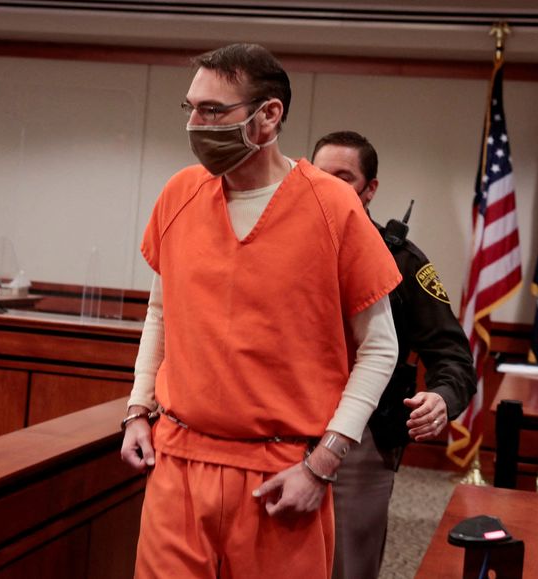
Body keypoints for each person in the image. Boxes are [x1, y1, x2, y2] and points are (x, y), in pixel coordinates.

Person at [120, 45, 405, 579]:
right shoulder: (179, 194)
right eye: (191, 109)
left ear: (268, 114)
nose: (197, 124)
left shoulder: (333, 206)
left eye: (213, 110)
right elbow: (161, 313)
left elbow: (380, 346)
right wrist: (138, 410)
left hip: (282, 470)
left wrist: (323, 465)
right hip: (178, 458)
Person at [312, 131, 476, 579]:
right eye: (319, 174)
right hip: (278, 423)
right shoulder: (281, 245)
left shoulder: (400, 261)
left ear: (370, 189)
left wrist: (442, 397)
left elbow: (453, 357)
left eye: (344, 177)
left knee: (346, 562)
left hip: (362, 437)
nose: (328, 184)